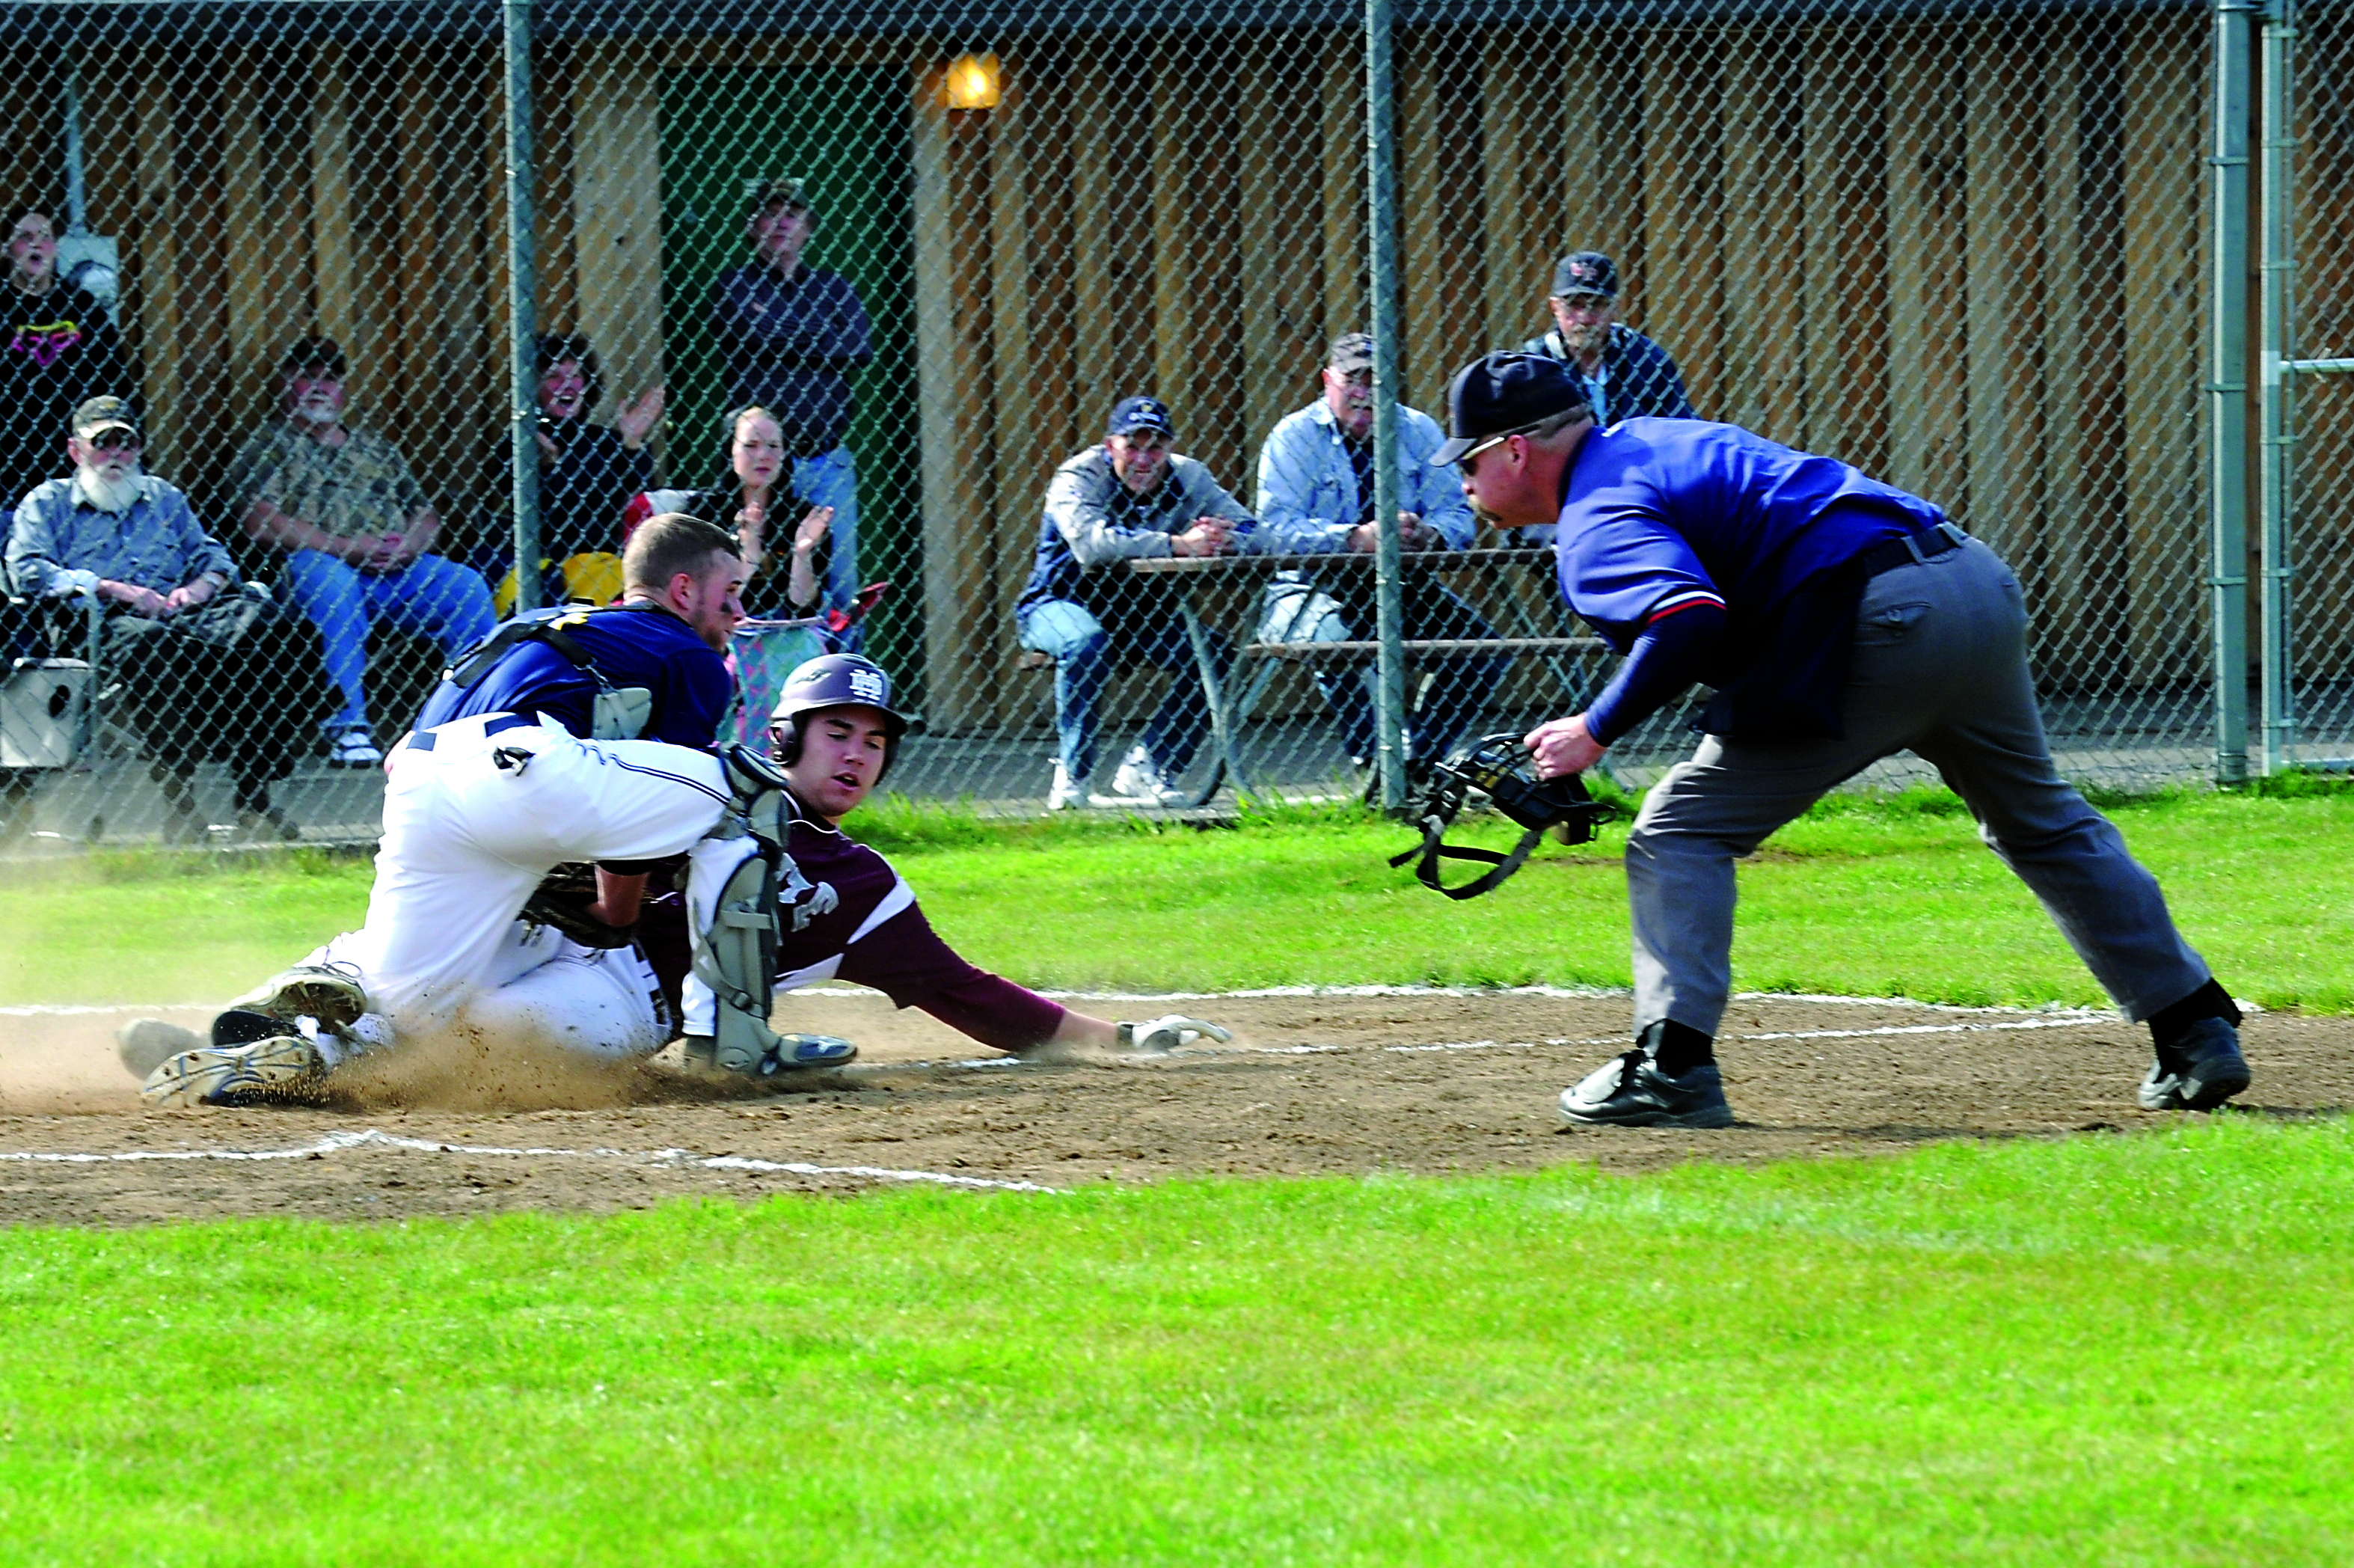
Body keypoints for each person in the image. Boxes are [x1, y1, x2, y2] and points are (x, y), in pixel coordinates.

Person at [1438, 350, 2249, 1127]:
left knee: (1678, 830)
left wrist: (1593, 730)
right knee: (2039, 820)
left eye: (1467, 463)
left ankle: (1671, 1068)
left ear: (1515, 449)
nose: (1465, 483)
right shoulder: (1654, 437)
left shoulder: (1594, 512)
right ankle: (2193, 1028)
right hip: (1971, 582)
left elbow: (1687, 617)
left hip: (1879, 624)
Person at [125, 650, 1230, 1097]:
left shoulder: (861, 888)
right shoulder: (697, 785)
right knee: (431, 952)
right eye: (833, 731)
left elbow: (976, 997)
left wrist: (1117, 1041)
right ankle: (267, 1041)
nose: (855, 753)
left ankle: (298, 1065)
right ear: (783, 737)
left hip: (627, 997)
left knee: (497, 1028)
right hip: (562, 936)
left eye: (874, 741)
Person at [134, 513, 845, 1106]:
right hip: (528, 771)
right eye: (730, 596)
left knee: (406, 1005)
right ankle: (737, 1041)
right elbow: (639, 826)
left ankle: (276, 1055)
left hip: (422, 782)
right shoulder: (685, 653)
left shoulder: (535, 624)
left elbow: (405, 748)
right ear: (683, 589)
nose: (738, 615)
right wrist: (616, 915)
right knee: (747, 795)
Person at [5, 397, 334, 842]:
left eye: (127, 443)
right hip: (103, 622)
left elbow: (212, 555)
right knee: (154, 647)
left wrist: (199, 587)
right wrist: (111, 588)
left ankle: (254, 795)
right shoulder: (47, 503)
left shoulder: (164, 497)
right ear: (75, 450)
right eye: (103, 444)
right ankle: (181, 803)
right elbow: (27, 571)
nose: (116, 455)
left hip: (185, 611)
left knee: (284, 633)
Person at [230, 336, 497, 768]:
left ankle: (476, 718)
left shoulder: (375, 447)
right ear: (285, 385)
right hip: (318, 567)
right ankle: (348, 727)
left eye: (330, 378)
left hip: (394, 571)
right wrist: (347, 549)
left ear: (344, 388)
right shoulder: (267, 444)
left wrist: (406, 547)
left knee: (465, 585)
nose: (320, 387)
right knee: (330, 582)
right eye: (307, 377)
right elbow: (261, 520)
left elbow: (426, 515)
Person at [1254, 332, 1503, 777]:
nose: (1364, 392)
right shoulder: (1292, 437)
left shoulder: (1419, 430)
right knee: (1337, 643)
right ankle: (1373, 766)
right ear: (1328, 380)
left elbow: (1457, 515)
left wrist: (1429, 535)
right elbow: (1274, 532)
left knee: (1485, 651)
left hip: (1403, 584)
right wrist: (1354, 539)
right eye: (1353, 379)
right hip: (1308, 588)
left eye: (1377, 381)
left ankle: (1416, 761)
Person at [1015, 396, 1257, 809]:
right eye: (1133, 446)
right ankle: (1073, 775)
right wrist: (1177, 544)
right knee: (1085, 644)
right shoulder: (1079, 475)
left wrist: (1225, 535)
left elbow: (1251, 525)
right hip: (1059, 603)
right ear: (1111, 447)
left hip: (1143, 616)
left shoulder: (1188, 476)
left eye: (1156, 447)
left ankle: (1150, 765)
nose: (1144, 459)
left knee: (1217, 655)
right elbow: (1091, 544)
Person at [709, 177, 872, 619]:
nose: (781, 222)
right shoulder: (734, 285)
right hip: (759, 469)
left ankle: (842, 679)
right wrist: (821, 335)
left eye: (793, 214)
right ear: (751, 226)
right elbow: (746, 331)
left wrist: (779, 328)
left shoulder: (833, 287)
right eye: (770, 213)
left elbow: (859, 347)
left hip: (824, 461)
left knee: (841, 582)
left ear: (809, 228)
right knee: (753, 578)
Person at [477, 332, 664, 611]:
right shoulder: (520, 441)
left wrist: (633, 444)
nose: (568, 385)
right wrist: (551, 466)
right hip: (546, 560)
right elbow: (552, 519)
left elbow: (642, 502)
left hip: (605, 559)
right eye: (553, 376)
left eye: (576, 375)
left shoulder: (606, 439)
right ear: (534, 386)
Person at [1, 203, 133, 512]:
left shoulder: (82, 308)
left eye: (45, 236)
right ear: (6, 249)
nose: (37, 244)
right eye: (25, 237)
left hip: (77, 458)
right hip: (12, 459)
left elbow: (115, 379)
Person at [1516, 251, 1694, 428]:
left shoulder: (1646, 358)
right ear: (1554, 307)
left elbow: (1684, 430)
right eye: (1573, 305)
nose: (1585, 319)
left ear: (1615, 308)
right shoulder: (1535, 364)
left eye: (1596, 305)